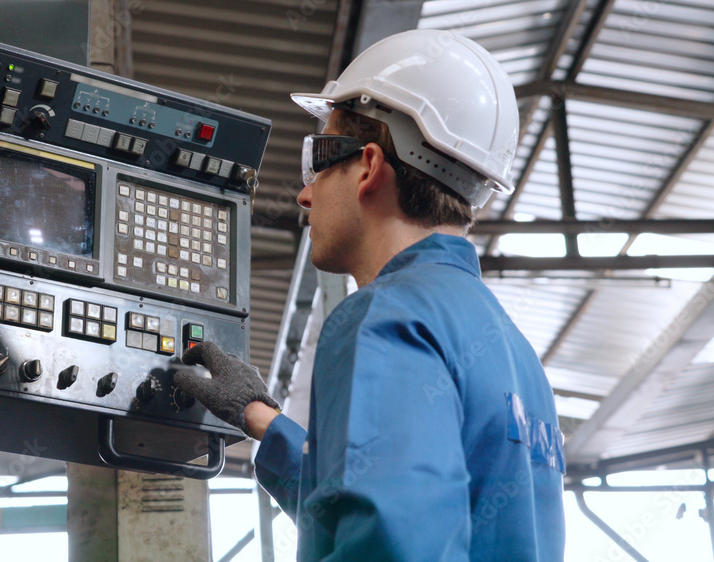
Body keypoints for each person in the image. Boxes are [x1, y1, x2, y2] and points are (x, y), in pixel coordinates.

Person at [174, 29, 565, 560]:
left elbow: (388, 543)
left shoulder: (385, 316)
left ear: (369, 167)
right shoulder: (516, 354)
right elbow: (377, 502)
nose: (304, 193)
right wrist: (260, 418)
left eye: (318, 162)